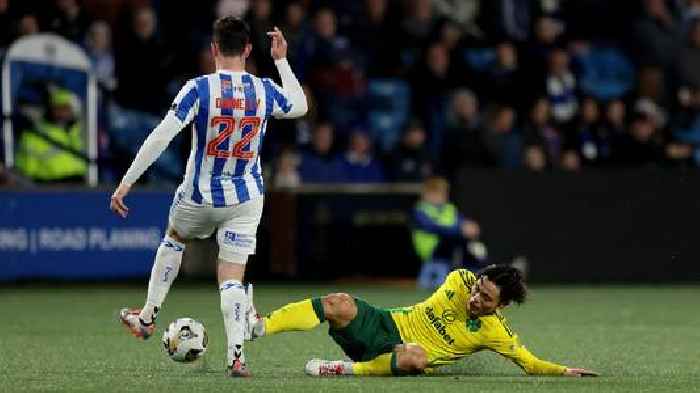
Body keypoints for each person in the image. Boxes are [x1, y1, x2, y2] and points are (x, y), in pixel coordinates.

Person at [110, 17, 307, 377]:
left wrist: (126, 182)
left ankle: (148, 316)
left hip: (199, 197)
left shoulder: (199, 89)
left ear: (213, 49)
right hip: (246, 199)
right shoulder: (263, 89)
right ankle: (236, 357)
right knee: (232, 276)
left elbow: (160, 136)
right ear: (248, 50)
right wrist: (281, 60)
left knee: (176, 237)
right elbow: (300, 105)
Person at [244, 265, 598, 377]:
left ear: (502, 305)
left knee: (418, 357)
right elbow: (465, 286)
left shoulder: (496, 333)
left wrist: (565, 372)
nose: (475, 297)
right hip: (382, 324)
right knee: (339, 302)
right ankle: (260, 326)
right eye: (478, 289)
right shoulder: (459, 279)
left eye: (486, 298)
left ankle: (338, 369)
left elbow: (530, 364)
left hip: (401, 354)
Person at [413, 177, 484, 289]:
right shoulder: (420, 210)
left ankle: (472, 273)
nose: (439, 197)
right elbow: (433, 227)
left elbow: (460, 222)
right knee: (452, 236)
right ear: (426, 194)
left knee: (467, 240)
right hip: (431, 250)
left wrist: (469, 227)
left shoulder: (449, 208)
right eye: (435, 194)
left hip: (447, 251)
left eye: (442, 194)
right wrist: (460, 229)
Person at [16, 88, 87, 183]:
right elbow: (26, 171)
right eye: (59, 107)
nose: (63, 112)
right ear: (51, 109)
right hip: (50, 186)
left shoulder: (80, 131)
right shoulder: (33, 135)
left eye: (66, 107)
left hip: (80, 183)